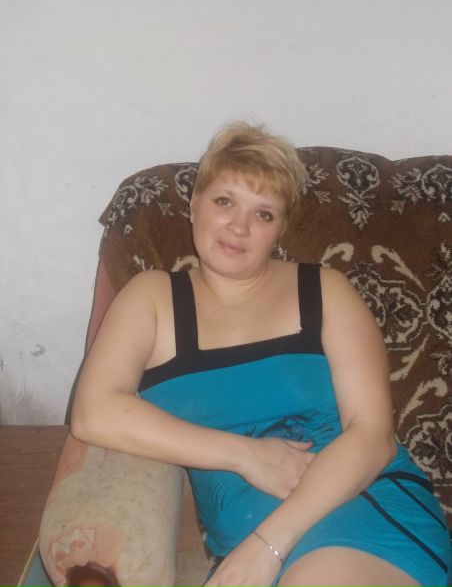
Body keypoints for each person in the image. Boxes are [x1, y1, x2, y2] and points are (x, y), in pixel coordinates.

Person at [71, 122, 450, 587]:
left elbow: (373, 436)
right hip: (245, 542)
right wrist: (245, 455)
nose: (239, 226)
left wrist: (268, 545)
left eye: (264, 214)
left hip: (359, 507)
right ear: (194, 204)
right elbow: (93, 412)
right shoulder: (150, 298)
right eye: (224, 201)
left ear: (279, 229)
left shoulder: (324, 291)